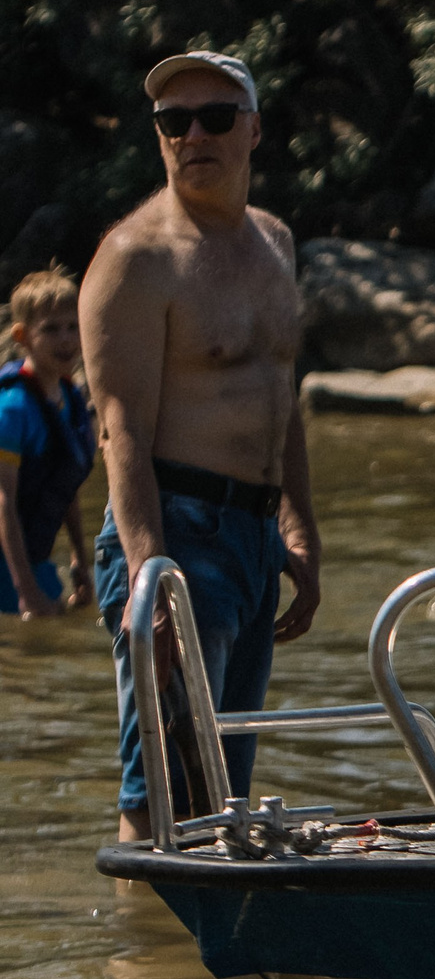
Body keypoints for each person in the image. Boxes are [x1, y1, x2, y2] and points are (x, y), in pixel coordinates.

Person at [83, 50, 321, 840]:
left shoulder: (274, 242)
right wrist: (151, 576)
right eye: (172, 121)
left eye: (215, 117)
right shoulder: (135, 259)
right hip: (175, 534)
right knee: (162, 800)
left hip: (253, 538)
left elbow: (281, 397)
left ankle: (194, 961)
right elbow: (121, 431)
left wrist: (299, 526)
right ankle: (140, 959)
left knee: (222, 800)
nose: (193, 134)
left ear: (253, 129)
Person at [0, 266, 97, 620]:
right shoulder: (13, 409)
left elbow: (64, 481)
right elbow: (4, 503)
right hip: (9, 567)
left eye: (73, 327)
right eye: (51, 329)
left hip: (36, 561)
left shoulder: (70, 400)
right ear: (22, 336)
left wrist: (80, 563)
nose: (66, 340)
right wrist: (25, 593)